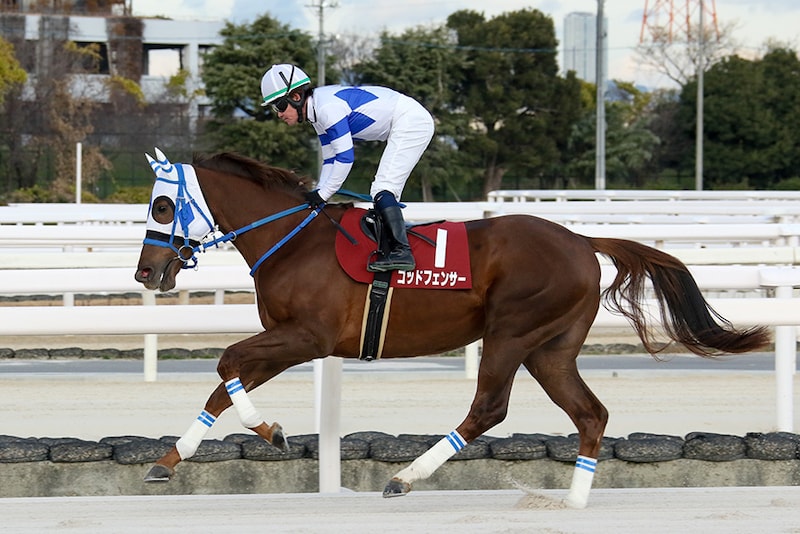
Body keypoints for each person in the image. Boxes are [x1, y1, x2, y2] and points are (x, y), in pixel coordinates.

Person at [259, 63, 434, 272]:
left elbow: (345, 157)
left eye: (278, 106)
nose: (278, 114)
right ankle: (392, 246)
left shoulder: (326, 109)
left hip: (412, 121)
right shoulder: (316, 113)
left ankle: (402, 252)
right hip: (403, 120)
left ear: (296, 97)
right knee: (382, 190)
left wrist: (324, 195)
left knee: (382, 189)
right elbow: (330, 159)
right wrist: (318, 193)